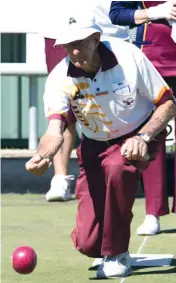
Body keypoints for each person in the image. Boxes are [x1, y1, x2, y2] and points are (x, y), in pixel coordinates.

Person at [25, 15, 176, 278]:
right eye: (66, 45)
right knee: (87, 243)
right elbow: (54, 129)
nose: (73, 52)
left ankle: (117, 252)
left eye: (79, 43)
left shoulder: (129, 57)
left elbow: (167, 103)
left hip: (137, 135)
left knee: (118, 167)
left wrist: (144, 137)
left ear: (96, 39)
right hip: (94, 145)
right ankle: (107, 247)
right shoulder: (60, 76)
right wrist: (42, 155)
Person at [44, 1, 129, 202]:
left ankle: (117, 169)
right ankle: (60, 177)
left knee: (117, 102)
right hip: (59, 28)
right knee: (66, 106)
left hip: (107, 29)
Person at [109, 0, 176, 235]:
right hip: (153, 62)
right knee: (151, 137)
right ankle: (153, 212)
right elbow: (117, 14)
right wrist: (154, 12)